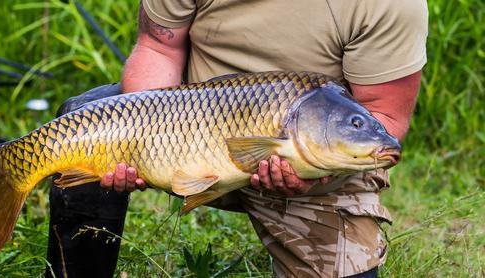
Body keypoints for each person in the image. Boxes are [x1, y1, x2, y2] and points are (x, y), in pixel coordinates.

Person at [46, 0, 428, 277]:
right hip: (188, 127)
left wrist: (316, 173)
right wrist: (146, 138)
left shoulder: (391, 5)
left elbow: (384, 116)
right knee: (87, 116)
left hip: (315, 152)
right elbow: (159, 46)